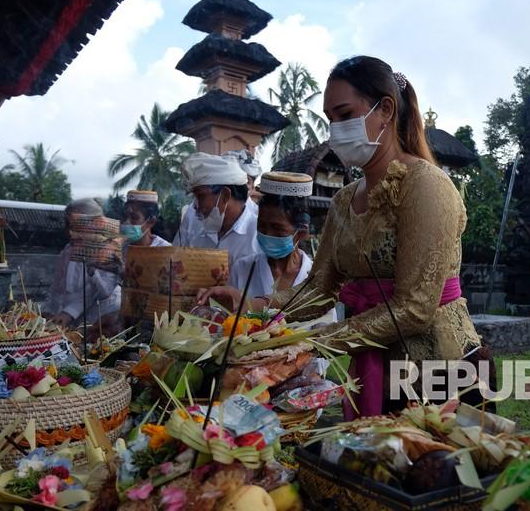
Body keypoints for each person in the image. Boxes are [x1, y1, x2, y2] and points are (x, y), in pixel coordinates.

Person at [197, 55, 487, 418]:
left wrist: (314, 342)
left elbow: (414, 308)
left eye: (345, 115)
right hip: (371, 365)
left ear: (385, 110)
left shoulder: (427, 186)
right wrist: (252, 306)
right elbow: (320, 288)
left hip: (436, 368)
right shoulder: (345, 199)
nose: (335, 130)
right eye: (330, 119)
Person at [42, 198, 121, 336]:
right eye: (68, 225)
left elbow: (100, 292)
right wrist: (48, 311)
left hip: (102, 318)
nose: (69, 231)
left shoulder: (109, 249)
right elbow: (57, 287)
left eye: (74, 226)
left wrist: (68, 312)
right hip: (73, 321)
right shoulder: (68, 250)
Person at [174, 152, 258, 277]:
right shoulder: (192, 221)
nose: (195, 206)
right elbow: (175, 263)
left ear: (224, 195)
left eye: (200, 196)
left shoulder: (258, 234)